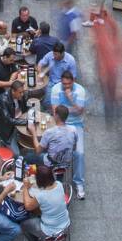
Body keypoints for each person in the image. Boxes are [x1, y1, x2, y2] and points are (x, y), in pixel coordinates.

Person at [20, 165, 71, 241]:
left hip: (51, 231)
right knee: (39, 214)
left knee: (24, 225)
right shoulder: (59, 184)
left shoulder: (41, 195)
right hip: (65, 225)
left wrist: (26, 188)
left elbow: (28, 206)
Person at [49, 69, 88, 198]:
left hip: (76, 124)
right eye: (64, 84)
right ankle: (54, 177)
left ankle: (79, 182)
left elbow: (80, 111)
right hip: (59, 123)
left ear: (73, 82)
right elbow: (56, 112)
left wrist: (70, 98)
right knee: (54, 147)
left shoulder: (80, 91)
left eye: (68, 84)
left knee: (79, 153)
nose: (66, 87)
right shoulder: (55, 89)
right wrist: (73, 109)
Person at [0, 79, 28, 155]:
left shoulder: (20, 96)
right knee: (16, 154)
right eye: (20, 93)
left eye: (23, 92)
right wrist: (26, 122)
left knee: (28, 142)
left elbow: (25, 108)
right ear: (13, 91)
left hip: (18, 121)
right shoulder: (4, 100)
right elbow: (9, 120)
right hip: (8, 131)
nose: (22, 94)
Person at [37, 104, 77, 171]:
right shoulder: (74, 129)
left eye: (54, 113)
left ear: (57, 116)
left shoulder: (49, 132)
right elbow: (74, 147)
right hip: (66, 164)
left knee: (29, 156)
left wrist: (33, 134)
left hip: (51, 163)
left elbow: (38, 151)